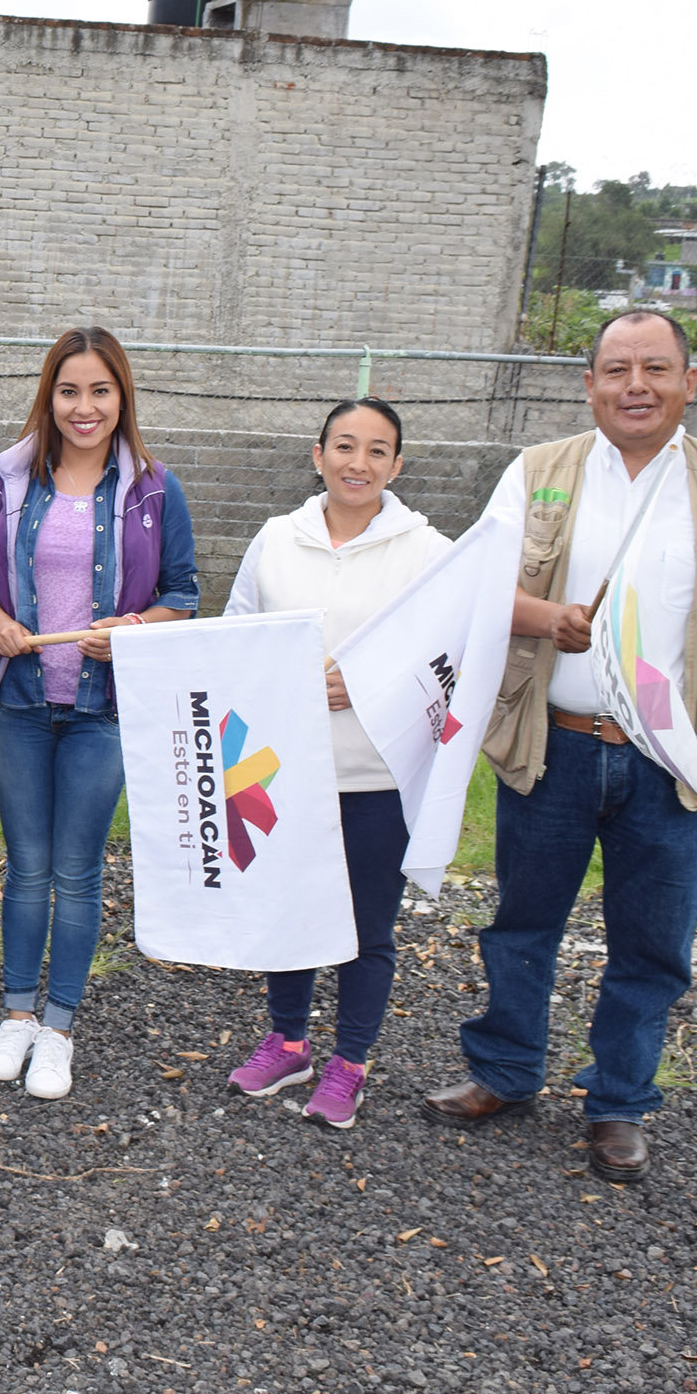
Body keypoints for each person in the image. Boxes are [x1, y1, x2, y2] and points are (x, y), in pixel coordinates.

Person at [424, 310, 697, 1182]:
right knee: (522, 922)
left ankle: (619, 1101)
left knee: (653, 943)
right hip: (551, 745)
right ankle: (506, 1070)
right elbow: (476, 589)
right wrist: (545, 620)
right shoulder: (539, 473)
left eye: (657, 369)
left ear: (688, 382)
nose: (638, 385)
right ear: (589, 383)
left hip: (671, 764)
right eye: (618, 369)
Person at [0, 326, 198, 1101]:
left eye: (99, 390)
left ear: (120, 395)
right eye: (69, 391)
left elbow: (182, 596)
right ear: (49, 396)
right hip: (22, 703)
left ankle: (59, 1028)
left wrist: (133, 630)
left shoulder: (154, 489)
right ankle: (17, 1014)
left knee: (77, 870)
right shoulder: (10, 476)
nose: (83, 407)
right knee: (26, 868)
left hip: (102, 711)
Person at [222, 397, 448, 1127]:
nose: (359, 462)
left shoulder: (427, 552)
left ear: (397, 466)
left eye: (377, 450)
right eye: (344, 446)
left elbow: (450, 657)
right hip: (285, 766)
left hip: (377, 774)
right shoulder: (275, 539)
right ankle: (288, 1040)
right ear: (317, 455)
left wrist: (368, 687)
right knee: (289, 911)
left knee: (367, 925)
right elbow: (237, 633)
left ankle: (350, 1061)